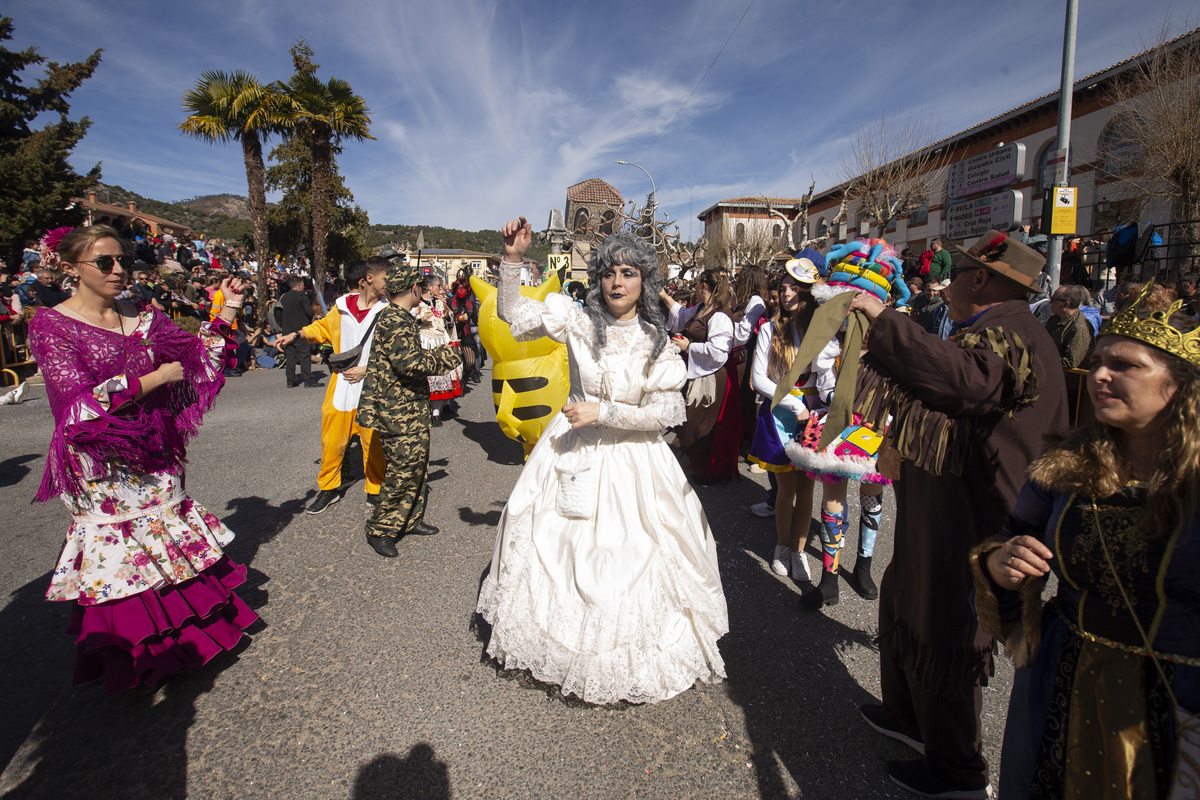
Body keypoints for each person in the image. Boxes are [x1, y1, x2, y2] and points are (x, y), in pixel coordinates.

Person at [846, 231, 1068, 798]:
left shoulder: (1015, 332)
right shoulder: (992, 328)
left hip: (973, 516)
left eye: (957, 276)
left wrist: (886, 323)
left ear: (982, 280)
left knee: (945, 627)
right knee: (904, 601)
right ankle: (911, 720)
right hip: (939, 507)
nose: (945, 287)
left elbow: (965, 383)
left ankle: (958, 772)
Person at [476, 217, 728, 705]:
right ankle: (563, 650)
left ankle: (626, 657)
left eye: (629, 273)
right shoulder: (576, 319)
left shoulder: (658, 342)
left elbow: (666, 413)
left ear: (645, 282)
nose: (617, 281)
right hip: (573, 449)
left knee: (634, 555)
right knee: (555, 547)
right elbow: (512, 315)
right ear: (599, 278)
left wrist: (606, 412)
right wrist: (510, 261)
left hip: (635, 463)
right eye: (610, 271)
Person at [971, 283, 1200, 799]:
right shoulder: (1065, 469)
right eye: (1097, 361)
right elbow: (1008, 545)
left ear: (1182, 384)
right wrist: (998, 568)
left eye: (1126, 366)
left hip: (1181, 709)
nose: (1099, 375)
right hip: (1064, 684)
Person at [27, 225, 258, 694]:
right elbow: (74, 410)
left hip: (157, 452)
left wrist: (227, 309)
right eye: (105, 263)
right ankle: (136, 662)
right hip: (104, 462)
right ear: (70, 268)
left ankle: (184, 648)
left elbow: (197, 364)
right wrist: (150, 381)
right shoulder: (51, 325)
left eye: (122, 261)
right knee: (124, 560)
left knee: (164, 545)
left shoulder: (144, 314)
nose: (119, 271)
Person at [356, 260, 461, 558]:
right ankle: (381, 529)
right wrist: (448, 355)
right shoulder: (396, 320)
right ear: (415, 288)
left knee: (417, 468)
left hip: (408, 409)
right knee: (402, 471)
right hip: (398, 411)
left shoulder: (397, 316)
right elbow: (410, 364)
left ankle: (410, 519)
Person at [276, 258, 389, 514]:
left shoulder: (389, 311)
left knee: (374, 443)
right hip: (341, 387)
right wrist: (295, 335)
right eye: (385, 278)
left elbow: (396, 352)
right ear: (368, 279)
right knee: (332, 442)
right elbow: (321, 329)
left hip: (373, 387)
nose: (388, 284)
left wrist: (368, 369)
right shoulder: (340, 308)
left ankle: (375, 489)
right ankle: (328, 488)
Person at [747, 258, 825, 583]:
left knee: (807, 490)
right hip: (781, 415)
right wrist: (795, 405)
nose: (788, 293)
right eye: (784, 287)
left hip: (813, 417)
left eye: (796, 287)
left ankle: (799, 551)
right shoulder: (768, 329)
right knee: (786, 489)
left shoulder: (818, 329)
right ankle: (781, 546)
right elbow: (759, 380)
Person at [660, 269, 741, 483]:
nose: (695, 286)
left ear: (703, 285)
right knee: (689, 424)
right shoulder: (701, 308)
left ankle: (677, 467)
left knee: (696, 427)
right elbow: (681, 315)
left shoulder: (720, 315)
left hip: (710, 378)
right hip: (697, 374)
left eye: (696, 282)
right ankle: (695, 469)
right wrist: (663, 295)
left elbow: (719, 352)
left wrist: (690, 346)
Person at [414, 275, 462, 426]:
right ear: (429, 287)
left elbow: (449, 323)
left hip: (440, 341)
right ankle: (426, 411)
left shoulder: (440, 304)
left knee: (440, 377)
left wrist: (448, 317)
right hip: (425, 342)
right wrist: (419, 320)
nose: (440, 289)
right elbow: (408, 323)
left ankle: (436, 412)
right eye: (438, 286)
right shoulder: (417, 304)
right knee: (427, 379)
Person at [280, 275, 321, 388]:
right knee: (304, 355)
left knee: (290, 356)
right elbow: (309, 312)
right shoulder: (301, 296)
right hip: (301, 329)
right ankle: (308, 380)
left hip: (287, 329)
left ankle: (290, 380)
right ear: (299, 286)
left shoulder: (284, 297)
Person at [1046, 283, 1094, 369]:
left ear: (1066, 304)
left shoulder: (1079, 328)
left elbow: (1071, 362)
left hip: (1068, 379)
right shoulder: (1054, 319)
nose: (1050, 302)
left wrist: (1042, 360)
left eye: (1053, 299)